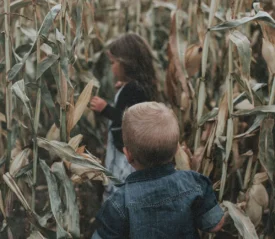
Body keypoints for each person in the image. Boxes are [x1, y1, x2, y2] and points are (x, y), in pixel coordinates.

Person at [92, 102, 224, 239]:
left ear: (128, 155)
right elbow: (215, 225)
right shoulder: (194, 182)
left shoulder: (118, 203)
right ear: (176, 150)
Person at [90, 33, 158, 200]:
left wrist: (105, 109)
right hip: (124, 150)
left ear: (128, 64)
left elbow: (130, 119)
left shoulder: (134, 90)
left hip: (126, 154)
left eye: (113, 63)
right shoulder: (136, 86)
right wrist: (124, 87)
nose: (111, 68)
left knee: (120, 186)